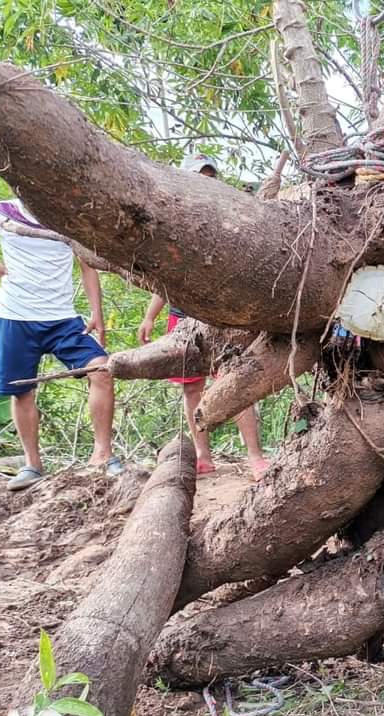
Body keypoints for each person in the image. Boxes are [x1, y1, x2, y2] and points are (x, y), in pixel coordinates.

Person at [0, 199, 122, 490]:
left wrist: (97, 313)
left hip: (62, 317)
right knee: (21, 389)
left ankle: (102, 454)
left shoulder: (65, 213)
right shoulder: (1, 211)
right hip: (15, 314)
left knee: (101, 370)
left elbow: (87, 266)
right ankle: (32, 465)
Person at [137, 153, 269, 481]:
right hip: (182, 319)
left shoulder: (229, 219)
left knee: (235, 384)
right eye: (199, 176)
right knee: (192, 388)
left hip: (222, 319)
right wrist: (150, 317)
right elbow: (164, 280)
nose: (205, 182)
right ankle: (202, 455)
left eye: (210, 176)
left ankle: (255, 456)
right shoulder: (172, 224)